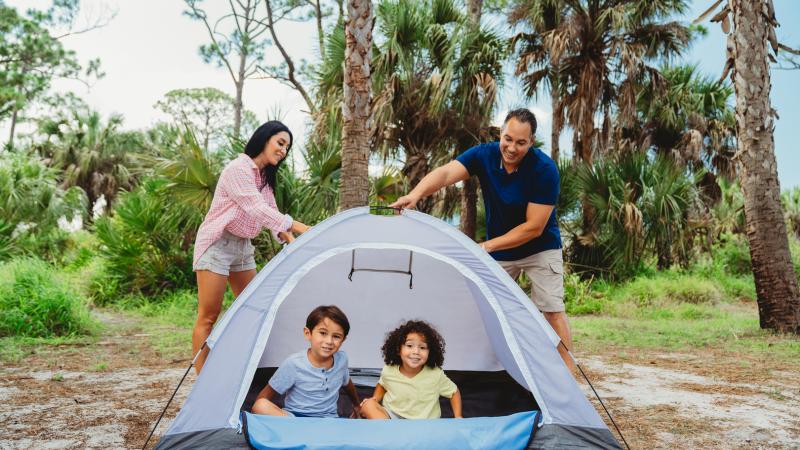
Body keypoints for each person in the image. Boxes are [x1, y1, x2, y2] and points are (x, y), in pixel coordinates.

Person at [390, 109, 574, 371]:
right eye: (508, 139)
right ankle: (491, 369)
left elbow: (533, 227)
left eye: (521, 143)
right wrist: (416, 194)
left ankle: (567, 377)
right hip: (501, 249)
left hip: (539, 248)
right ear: (501, 133)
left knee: (552, 310)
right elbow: (445, 174)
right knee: (487, 311)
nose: (511, 148)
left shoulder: (544, 169)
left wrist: (487, 246)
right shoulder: (484, 155)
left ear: (531, 142)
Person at [191, 121, 310, 373]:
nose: (283, 151)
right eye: (280, 143)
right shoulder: (239, 169)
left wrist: (294, 243)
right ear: (264, 139)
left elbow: (272, 216)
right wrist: (303, 228)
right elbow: (256, 209)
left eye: (287, 147)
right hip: (218, 244)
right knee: (208, 316)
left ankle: (242, 372)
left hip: (243, 247)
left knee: (254, 310)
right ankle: (203, 381)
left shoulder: (263, 179)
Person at [252, 305, 361, 418]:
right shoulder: (294, 364)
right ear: (307, 333)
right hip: (295, 420)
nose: (329, 341)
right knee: (261, 405)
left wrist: (357, 405)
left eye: (336, 336)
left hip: (328, 420)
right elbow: (263, 398)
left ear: (343, 339)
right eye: (323, 333)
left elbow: (348, 384)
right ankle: (299, 431)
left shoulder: (342, 360)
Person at [360, 320, 462, 420]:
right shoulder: (389, 370)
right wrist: (375, 399)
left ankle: (393, 434)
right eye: (409, 346)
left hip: (424, 422)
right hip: (393, 418)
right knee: (368, 405)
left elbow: (453, 392)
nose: (416, 351)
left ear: (430, 352)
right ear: (398, 349)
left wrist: (458, 416)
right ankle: (390, 431)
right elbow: (383, 384)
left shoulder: (435, 375)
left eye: (422, 347)